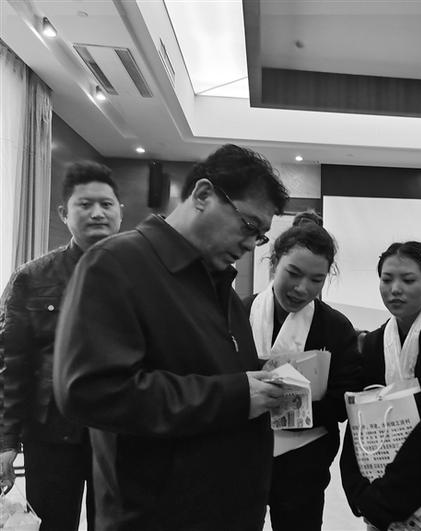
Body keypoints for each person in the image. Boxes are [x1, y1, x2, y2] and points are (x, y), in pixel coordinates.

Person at [53, 144, 290, 531]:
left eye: (260, 236)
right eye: (249, 226)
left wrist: (262, 378)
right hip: (156, 516)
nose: (251, 244)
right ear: (203, 195)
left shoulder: (219, 285)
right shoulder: (116, 264)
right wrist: (235, 395)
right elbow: (91, 391)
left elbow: (203, 367)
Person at [0, 161, 122, 530]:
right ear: (63, 213)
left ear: (120, 211)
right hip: (50, 432)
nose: (97, 213)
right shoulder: (31, 278)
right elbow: (11, 364)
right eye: (85, 204)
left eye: (106, 204)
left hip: (120, 431)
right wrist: (6, 442)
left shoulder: (141, 276)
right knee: (52, 524)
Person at [244, 214, 362, 531]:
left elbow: (343, 399)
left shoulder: (335, 327)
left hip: (304, 463)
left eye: (316, 280)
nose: (302, 288)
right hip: (242, 456)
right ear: (273, 263)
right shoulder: (239, 313)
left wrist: (290, 406)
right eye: (293, 273)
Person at [341, 241, 421, 531]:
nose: (395, 289)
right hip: (378, 488)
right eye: (386, 279)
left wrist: (387, 498)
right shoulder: (373, 343)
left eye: (408, 280)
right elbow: (358, 420)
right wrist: (359, 492)